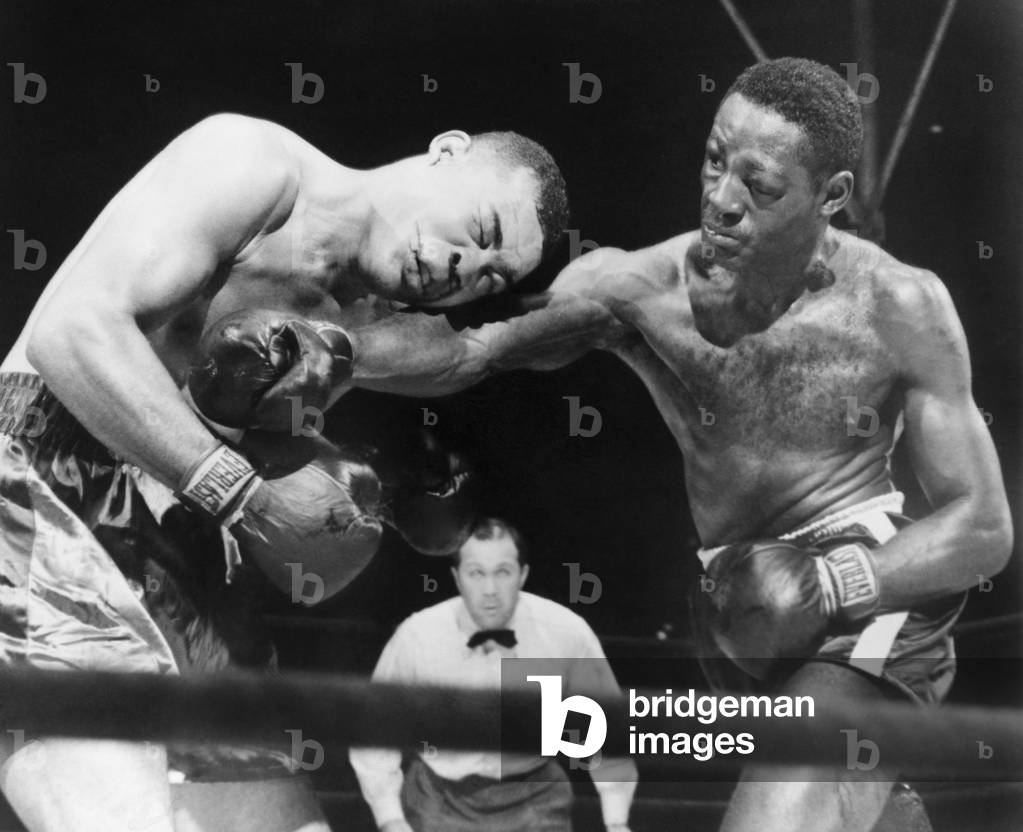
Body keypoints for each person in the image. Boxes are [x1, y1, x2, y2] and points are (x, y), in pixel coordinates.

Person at [345, 58, 1013, 832]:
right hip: (730, 612)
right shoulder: (639, 291)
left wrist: (831, 585)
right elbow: (471, 352)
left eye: (759, 186)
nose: (722, 199)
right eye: (714, 160)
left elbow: (982, 527)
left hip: (868, 606)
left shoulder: (896, 303)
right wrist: (331, 348)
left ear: (831, 196)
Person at [0, 114, 567, 832]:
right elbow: (70, 333)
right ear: (446, 151)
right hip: (42, 482)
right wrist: (238, 491)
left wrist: (369, 488)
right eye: (481, 229)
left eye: (488, 275)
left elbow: (503, 346)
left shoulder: (368, 326)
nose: (465, 266)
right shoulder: (255, 166)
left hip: (189, 538)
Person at [350, 517, 638, 832]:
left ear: (522, 575)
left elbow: (606, 730)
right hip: (438, 797)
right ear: (457, 578)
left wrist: (617, 821)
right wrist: (390, 818)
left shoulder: (567, 632)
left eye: (503, 572)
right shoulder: (417, 636)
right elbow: (373, 731)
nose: (490, 590)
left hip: (535, 795)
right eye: (476, 573)